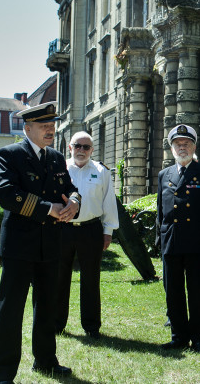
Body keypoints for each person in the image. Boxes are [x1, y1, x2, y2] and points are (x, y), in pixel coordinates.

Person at [0, 102, 80, 383]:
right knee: (11, 308)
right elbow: (5, 193)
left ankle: (46, 361)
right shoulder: (10, 154)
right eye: (44, 126)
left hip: (50, 243)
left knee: (48, 307)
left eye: (52, 125)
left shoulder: (54, 157)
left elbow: (69, 188)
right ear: (28, 129)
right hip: (20, 245)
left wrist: (74, 202)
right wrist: (47, 208)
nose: (50, 130)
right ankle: (2, 371)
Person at [155, 124, 200, 352]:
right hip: (171, 241)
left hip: (197, 241)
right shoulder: (165, 174)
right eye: (177, 144)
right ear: (171, 148)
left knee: (197, 291)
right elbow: (160, 212)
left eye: (186, 144)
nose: (181, 148)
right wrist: (159, 240)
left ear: (194, 147)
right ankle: (178, 336)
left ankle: (199, 337)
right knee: (172, 292)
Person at [55, 131, 119, 340]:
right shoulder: (59, 169)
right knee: (59, 278)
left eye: (86, 147)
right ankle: (56, 324)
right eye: (77, 146)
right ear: (70, 147)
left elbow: (109, 203)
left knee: (91, 279)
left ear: (92, 150)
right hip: (62, 229)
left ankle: (91, 326)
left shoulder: (101, 171)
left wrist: (107, 232)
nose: (81, 150)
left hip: (91, 230)